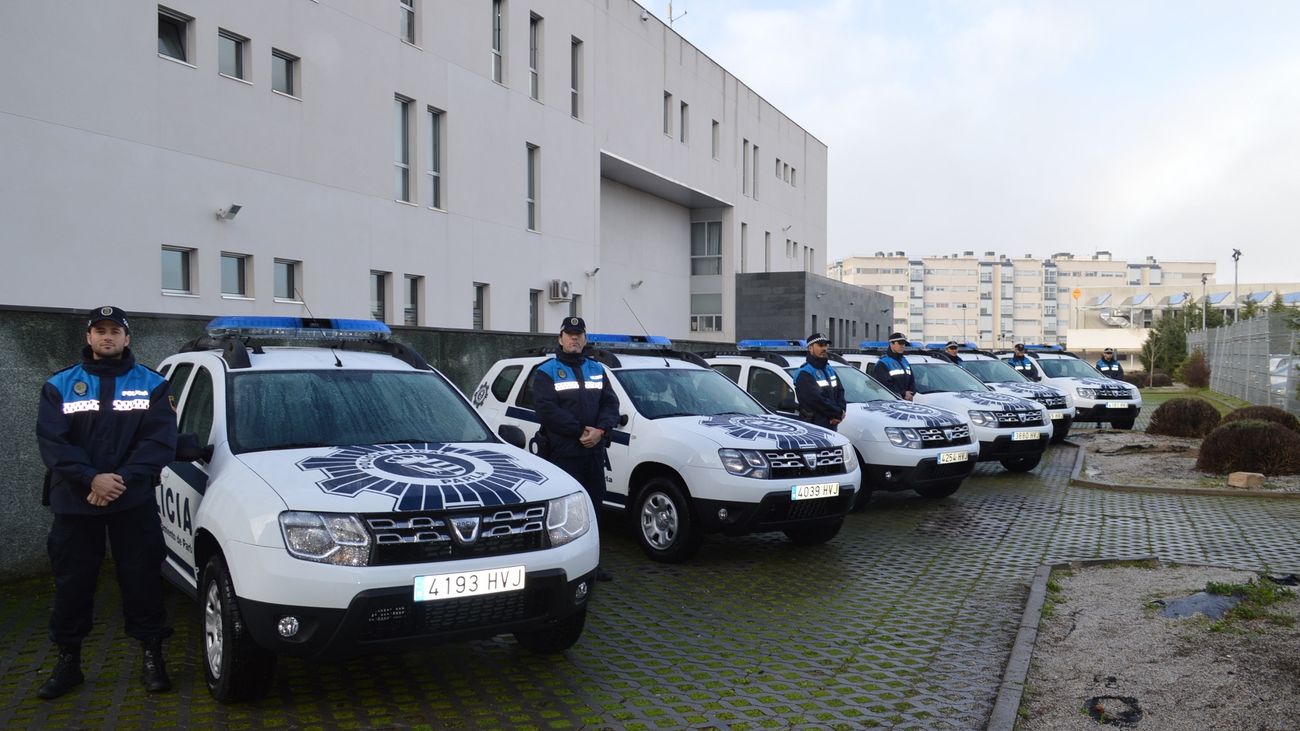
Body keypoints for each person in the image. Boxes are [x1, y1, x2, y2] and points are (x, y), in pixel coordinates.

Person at [35, 307, 178, 699]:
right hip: (75, 502)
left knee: (143, 579)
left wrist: (119, 480)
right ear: (89, 337)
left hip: (131, 500)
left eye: (115, 331)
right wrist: (91, 478)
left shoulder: (152, 383)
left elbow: (158, 440)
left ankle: (153, 657)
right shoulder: (60, 384)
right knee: (72, 584)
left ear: (127, 338)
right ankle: (68, 662)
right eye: (100, 331)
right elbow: (53, 442)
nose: (107, 337)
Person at [532, 316, 620, 581]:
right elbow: (547, 410)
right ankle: (565, 567)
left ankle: (592, 565)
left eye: (579, 334)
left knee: (593, 508)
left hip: (593, 452)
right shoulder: (546, 371)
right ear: (560, 338)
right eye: (570, 334)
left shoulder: (597, 369)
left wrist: (601, 431)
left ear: (585, 338)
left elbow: (611, 405)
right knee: (564, 513)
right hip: (564, 453)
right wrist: (581, 432)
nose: (575, 338)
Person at [793, 332, 847, 430]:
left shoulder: (829, 369)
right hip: (814, 426)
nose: (824, 348)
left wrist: (841, 412)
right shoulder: (805, 373)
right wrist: (837, 413)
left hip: (831, 424)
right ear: (810, 348)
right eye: (820, 345)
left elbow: (840, 391)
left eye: (826, 345)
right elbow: (817, 400)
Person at [871, 332, 916, 400]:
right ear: (891, 344)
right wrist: (904, 393)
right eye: (900, 343)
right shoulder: (883, 363)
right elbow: (884, 385)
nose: (903, 346)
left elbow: (912, 381)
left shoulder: (904, 361)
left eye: (904, 344)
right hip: (891, 402)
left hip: (906, 401)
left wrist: (911, 393)